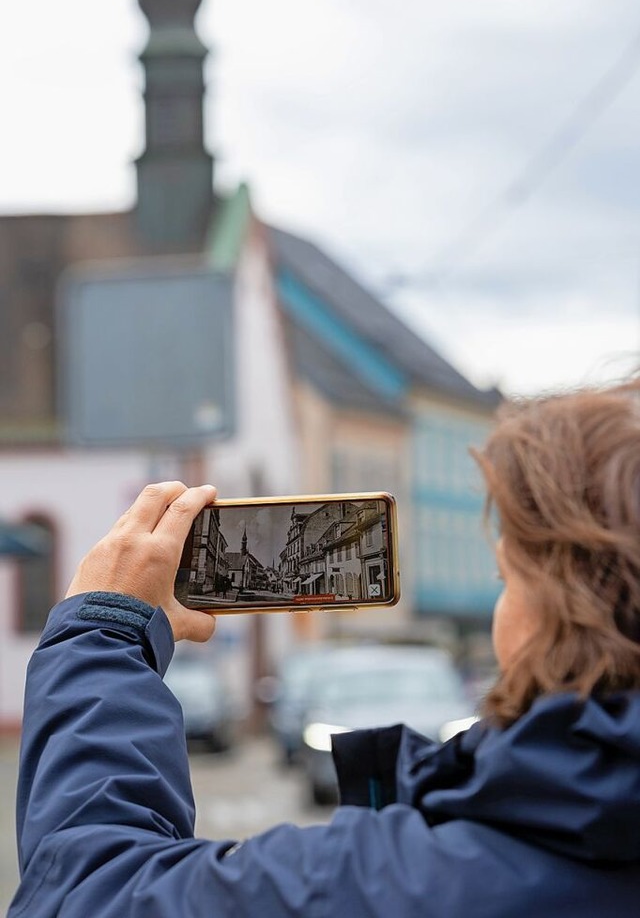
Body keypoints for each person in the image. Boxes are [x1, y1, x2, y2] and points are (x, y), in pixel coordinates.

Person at [8, 378, 640, 917]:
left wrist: (102, 631)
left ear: (566, 608)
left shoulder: (428, 882)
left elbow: (88, 894)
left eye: (508, 581)